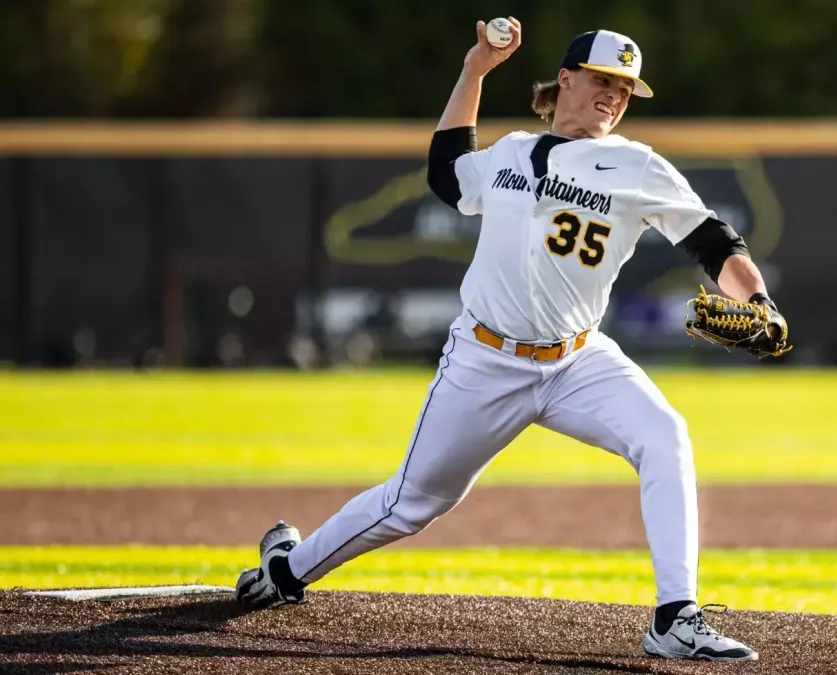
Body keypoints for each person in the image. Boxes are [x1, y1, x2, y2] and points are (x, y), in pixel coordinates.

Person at [235, 18, 789, 663]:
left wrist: (759, 301)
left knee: (664, 435)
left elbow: (715, 243)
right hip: (484, 360)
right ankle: (287, 570)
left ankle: (676, 616)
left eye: (625, 89)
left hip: (578, 360)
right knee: (411, 504)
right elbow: (447, 174)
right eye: (604, 80)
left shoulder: (638, 166)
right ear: (566, 79)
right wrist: (474, 70)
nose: (614, 96)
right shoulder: (508, 153)